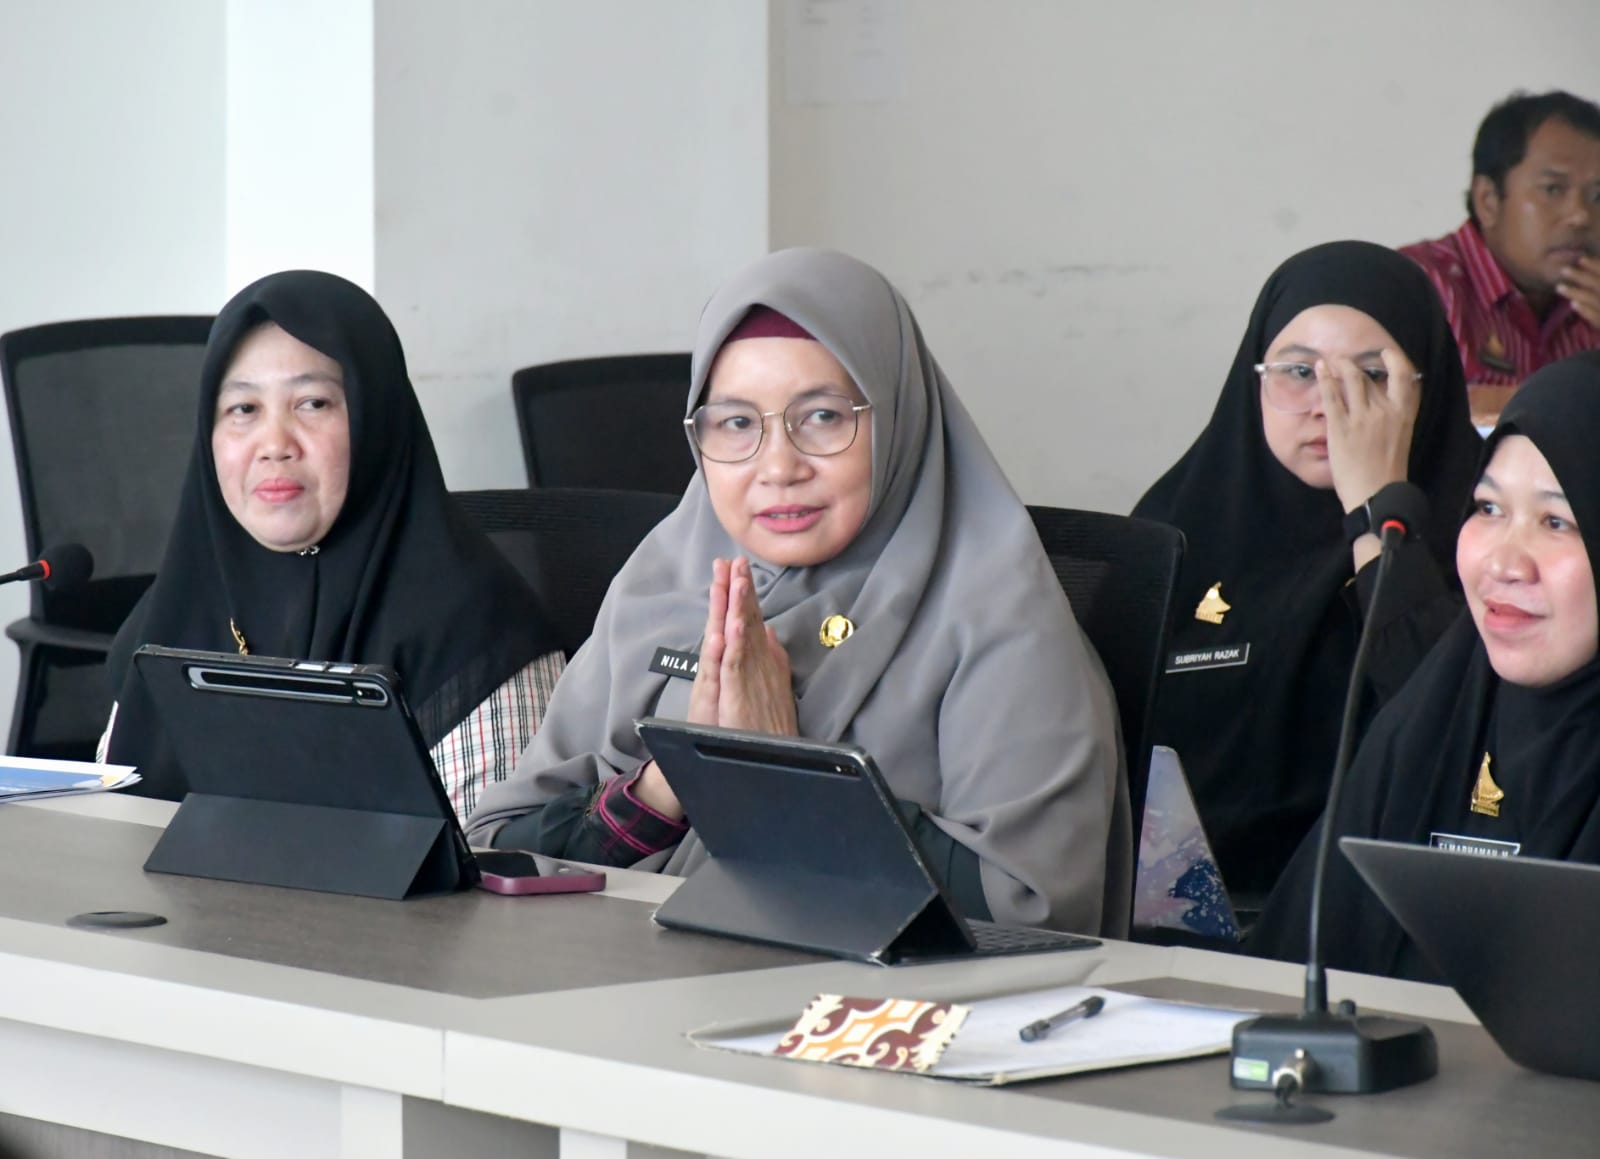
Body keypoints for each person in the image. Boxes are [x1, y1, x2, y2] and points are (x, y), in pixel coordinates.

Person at [466, 247, 1130, 935]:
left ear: (895, 419)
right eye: (736, 423)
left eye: (823, 417)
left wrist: (783, 774)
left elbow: (1030, 911)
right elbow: (500, 847)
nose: (778, 467)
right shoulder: (661, 586)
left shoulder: (998, 620)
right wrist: (674, 779)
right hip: (629, 973)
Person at [101, 270, 565, 825]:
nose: (275, 445)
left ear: (375, 419)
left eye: (313, 403)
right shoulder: (171, 612)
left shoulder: (475, 629)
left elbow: (485, 861)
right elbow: (108, 825)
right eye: (244, 409)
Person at [1133, 241, 1482, 902]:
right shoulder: (1172, 529)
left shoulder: (1483, 539)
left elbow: (1445, 730)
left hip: (1374, 916)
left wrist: (1376, 507)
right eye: (1298, 371)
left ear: (1426, 387)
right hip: (1173, 920)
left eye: (1372, 375)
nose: (1330, 402)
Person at [1251, 352, 1600, 980]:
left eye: (1557, 521)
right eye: (1488, 509)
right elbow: (1287, 970)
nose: (1504, 563)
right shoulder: (1439, 708)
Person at [1398, 90, 1600, 428]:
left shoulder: (1591, 299)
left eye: (1598, 195)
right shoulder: (1419, 287)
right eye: (1553, 189)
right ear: (1488, 200)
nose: (1581, 215)